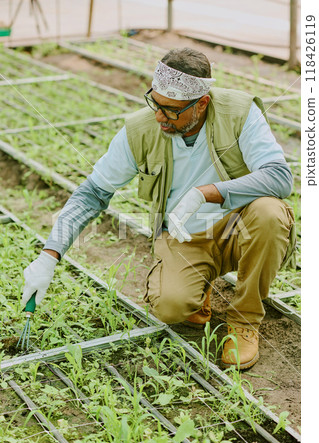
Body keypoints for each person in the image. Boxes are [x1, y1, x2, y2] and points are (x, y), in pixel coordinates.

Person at [22, 47, 296, 370]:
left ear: (202, 104)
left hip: (240, 228)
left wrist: (209, 193)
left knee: (269, 213)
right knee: (170, 306)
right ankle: (200, 288)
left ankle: (245, 320)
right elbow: (92, 193)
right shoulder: (142, 130)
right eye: (154, 102)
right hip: (186, 236)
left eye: (170, 110)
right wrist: (49, 255)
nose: (158, 116)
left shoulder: (239, 113)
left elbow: (280, 177)